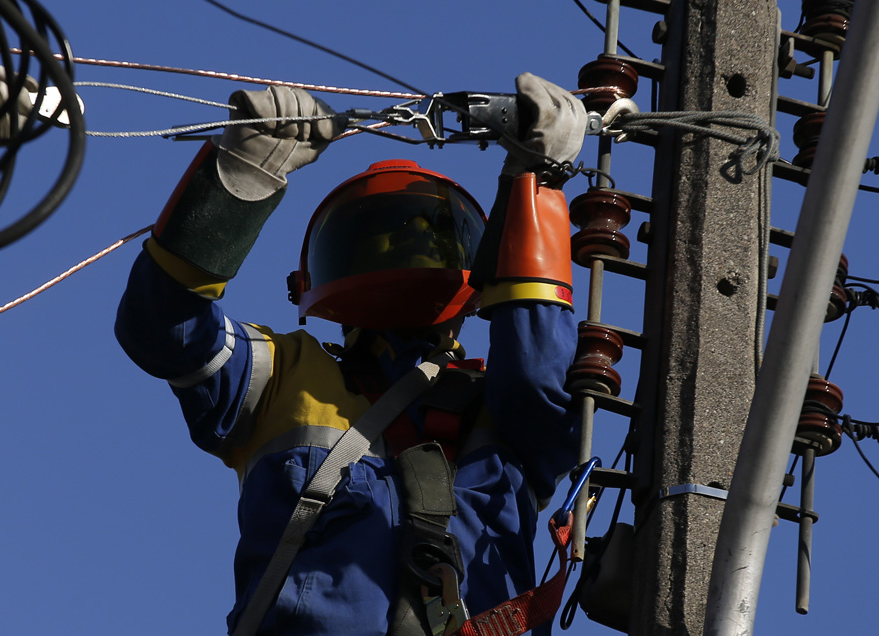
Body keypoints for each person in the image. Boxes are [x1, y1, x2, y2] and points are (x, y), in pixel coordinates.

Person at [114, 73, 588, 636]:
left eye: (423, 237)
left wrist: (535, 190)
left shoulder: (504, 406)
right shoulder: (281, 377)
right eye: (378, 236)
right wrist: (239, 180)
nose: (403, 250)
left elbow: (538, 376)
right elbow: (160, 327)